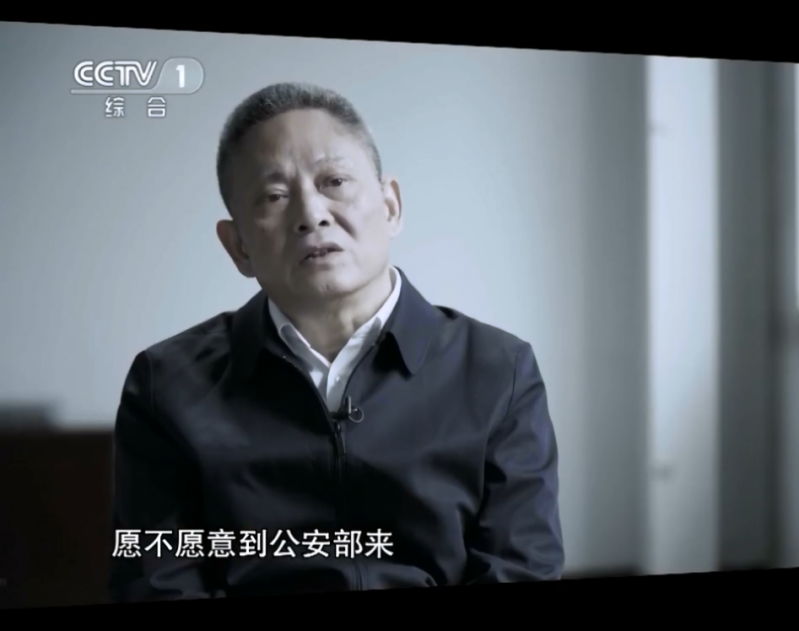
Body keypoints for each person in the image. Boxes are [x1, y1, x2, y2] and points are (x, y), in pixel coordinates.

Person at [107, 82, 563, 600]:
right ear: (238, 247)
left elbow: (521, 566)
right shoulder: (167, 383)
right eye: (275, 196)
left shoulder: (498, 370)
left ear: (390, 206)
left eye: (335, 181)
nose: (311, 214)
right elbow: (156, 582)